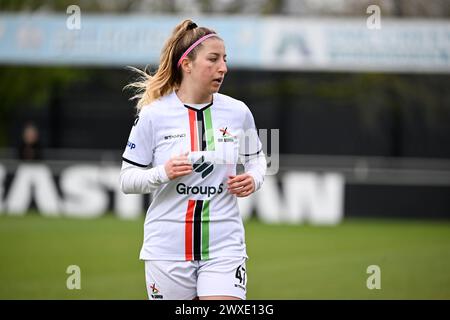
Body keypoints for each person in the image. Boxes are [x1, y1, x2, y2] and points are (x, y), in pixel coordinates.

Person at [120, 19, 266, 300]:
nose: (223, 67)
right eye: (213, 59)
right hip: (166, 250)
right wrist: (163, 172)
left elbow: (258, 160)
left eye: (225, 59)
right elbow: (127, 180)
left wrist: (254, 179)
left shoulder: (238, 112)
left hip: (224, 246)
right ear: (187, 64)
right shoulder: (153, 115)